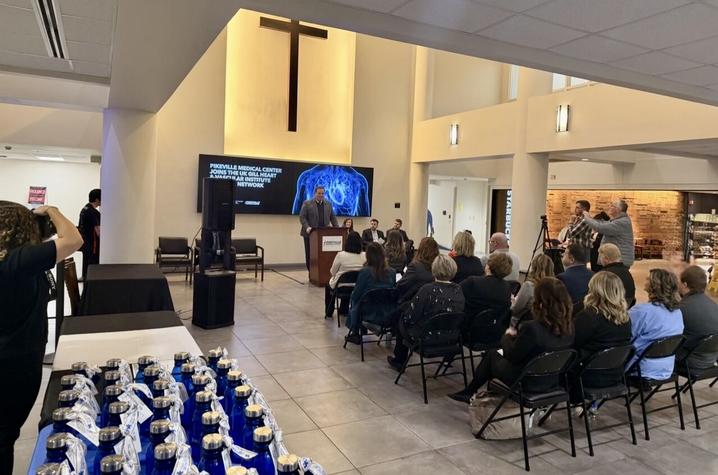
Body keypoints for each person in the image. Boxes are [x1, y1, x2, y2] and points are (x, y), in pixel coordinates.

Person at [0, 202, 83, 472]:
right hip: (11, 368)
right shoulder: (16, 262)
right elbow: (73, 238)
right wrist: (53, 211)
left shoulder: (16, 260)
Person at [449, 277, 575, 403]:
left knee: (493, 354)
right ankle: (479, 391)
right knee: (496, 353)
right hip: (551, 379)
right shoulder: (570, 328)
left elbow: (511, 355)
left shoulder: (532, 328)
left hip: (525, 379)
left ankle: (470, 391)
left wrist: (507, 336)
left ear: (541, 301)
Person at [387, 255, 465, 370]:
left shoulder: (427, 289)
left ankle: (399, 360)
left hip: (426, 338)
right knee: (405, 309)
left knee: (401, 318)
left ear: (434, 269)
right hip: (451, 337)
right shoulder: (458, 290)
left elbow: (411, 316)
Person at [572, 272, 632, 381]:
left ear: (594, 290)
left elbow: (574, 343)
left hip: (588, 375)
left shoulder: (588, 316)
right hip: (616, 373)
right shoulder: (625, 318)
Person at [627, 269, 684, 380]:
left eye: (648, 279)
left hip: (640, 367)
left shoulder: (642, 311)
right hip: (666, 365)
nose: (645, 281)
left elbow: (626, 335)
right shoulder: (677, 312)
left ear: (654, 286)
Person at [345, 243, 396, 344]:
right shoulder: (392, 272)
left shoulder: (365, 272)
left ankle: (355, 331)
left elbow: (356, 295)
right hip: (387, 311)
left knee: (355, 299)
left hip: (367, 312)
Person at [677, 266, 718, 369]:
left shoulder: (682, 307)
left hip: (690, 360)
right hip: (712, 358)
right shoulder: (713, 304)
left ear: (685, 285)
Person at [582, 200, 634, 268]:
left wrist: (587, 218)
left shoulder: (622, 222)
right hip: (615, 259)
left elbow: (600, 227)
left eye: (612, 206)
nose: (609, 207)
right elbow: (602, 224)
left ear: (618, 209)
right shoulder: (617, 220)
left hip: (619, 260)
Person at [325, 231, 364, 319]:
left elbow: (333, 272)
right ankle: (343, 310)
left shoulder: (341, 255)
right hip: (357, 286)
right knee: (349, 282)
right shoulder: (364, 255)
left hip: (341, 287)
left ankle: (329, 312)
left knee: (328, 286)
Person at [299, 186, 339, 270]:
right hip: (310, 234)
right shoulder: (307, 203)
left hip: (324, 234)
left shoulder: (328, 203)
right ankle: (311, 273)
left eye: (322, 193)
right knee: (310, 254)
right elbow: (302, 217)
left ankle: (321, 273)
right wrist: (307, 227)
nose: (321, 195)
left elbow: (333, 217)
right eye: (319, 193)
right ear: (315, 193)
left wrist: (337, 229)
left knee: (323, 255)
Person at [461, 253, 512, 318]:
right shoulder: (507, 287)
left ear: (488, 266)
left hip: (467, 324)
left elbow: (455, 294)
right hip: (494, 325)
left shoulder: (473, 282)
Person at [511, 253, 554, 328]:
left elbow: (515, 310)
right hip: (544, 325)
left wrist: (513, 302)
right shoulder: (554, 287)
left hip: (522, 325)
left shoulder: (529, 286)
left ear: (534, 267)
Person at [396, 237, 439, 304]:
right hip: (432, 304)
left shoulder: (415, 266)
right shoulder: (438, 266)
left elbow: (401, 285)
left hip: (412, 304)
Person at [78, 188, 101, 279]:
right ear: (97, 199)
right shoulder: (93, 212)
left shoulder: (84, 209)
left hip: (85, 242)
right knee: (92, 265)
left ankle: (85, 278)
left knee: (86, 262)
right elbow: (98, 231)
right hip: (93, 245)